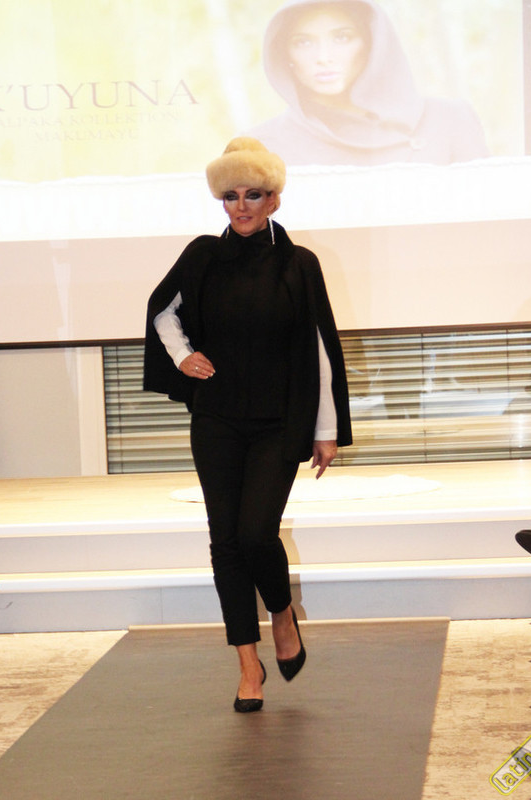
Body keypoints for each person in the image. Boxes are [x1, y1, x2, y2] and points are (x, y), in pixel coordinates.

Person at [144, 137, 352, 712]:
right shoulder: (202, 255)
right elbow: (162, 310)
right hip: (216, 418)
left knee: (256, 534)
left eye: (253, 195)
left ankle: (281, 614)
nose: (241, 206)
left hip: (278, 423)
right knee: (226, 541)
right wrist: (182, 355)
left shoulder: (298, 264)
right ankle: (246, 663)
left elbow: (320, 350)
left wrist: (327, 429)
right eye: (230, 196)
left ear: (274, 199)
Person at [246, 0, 489, 166]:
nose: (323, 57)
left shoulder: (448, 120)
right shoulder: (261, 146)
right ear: (283, 53)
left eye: (342, 37)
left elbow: (489, 216)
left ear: (373, 43)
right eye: (303, 42)